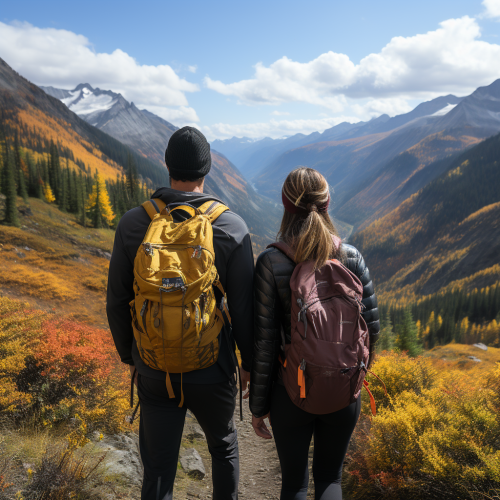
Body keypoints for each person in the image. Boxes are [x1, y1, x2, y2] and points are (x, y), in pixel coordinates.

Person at [106, 126, 254, 500]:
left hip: (155, 369)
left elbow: (116, 301)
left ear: (166, 164)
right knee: (223, 447)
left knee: (157, 468)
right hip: (212, 366)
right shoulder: (231, 227)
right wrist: (248, 362)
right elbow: (243, 308)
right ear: (207, 170)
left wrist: (133, 357)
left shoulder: (133, 224)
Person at [249, 167, 380, 500]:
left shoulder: (271, 262)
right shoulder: (352, 258)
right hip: (344, 387)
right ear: (327, 203)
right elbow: (372, 330)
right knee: (330, 479)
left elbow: (264, 345)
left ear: (285, 204)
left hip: (290, 392)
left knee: (294, 484)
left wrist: (258, 406)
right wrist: (352, 375)